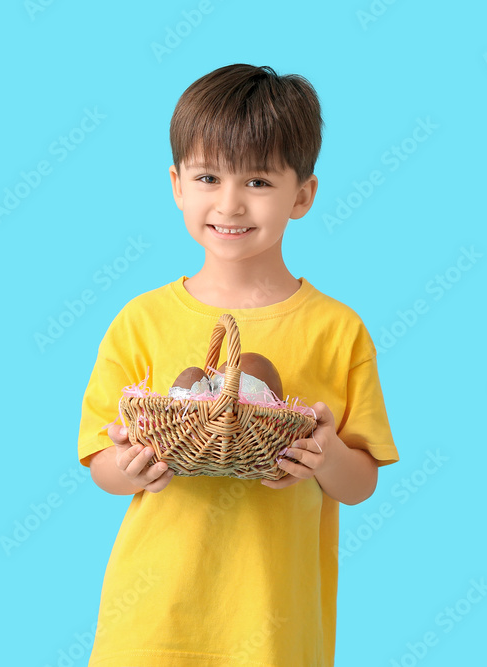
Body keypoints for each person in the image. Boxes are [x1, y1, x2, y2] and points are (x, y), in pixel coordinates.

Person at [77, 63, 399, 667]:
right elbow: (99, 462)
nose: (229, 203)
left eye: (257, 181)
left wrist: (325, 457)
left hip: (274, 629)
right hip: (150, 622)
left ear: (302, 194)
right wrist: (132, 465)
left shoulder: (337, 329)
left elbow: (361, 484)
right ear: (176, 185)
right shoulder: (139, 321)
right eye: (207, 176)